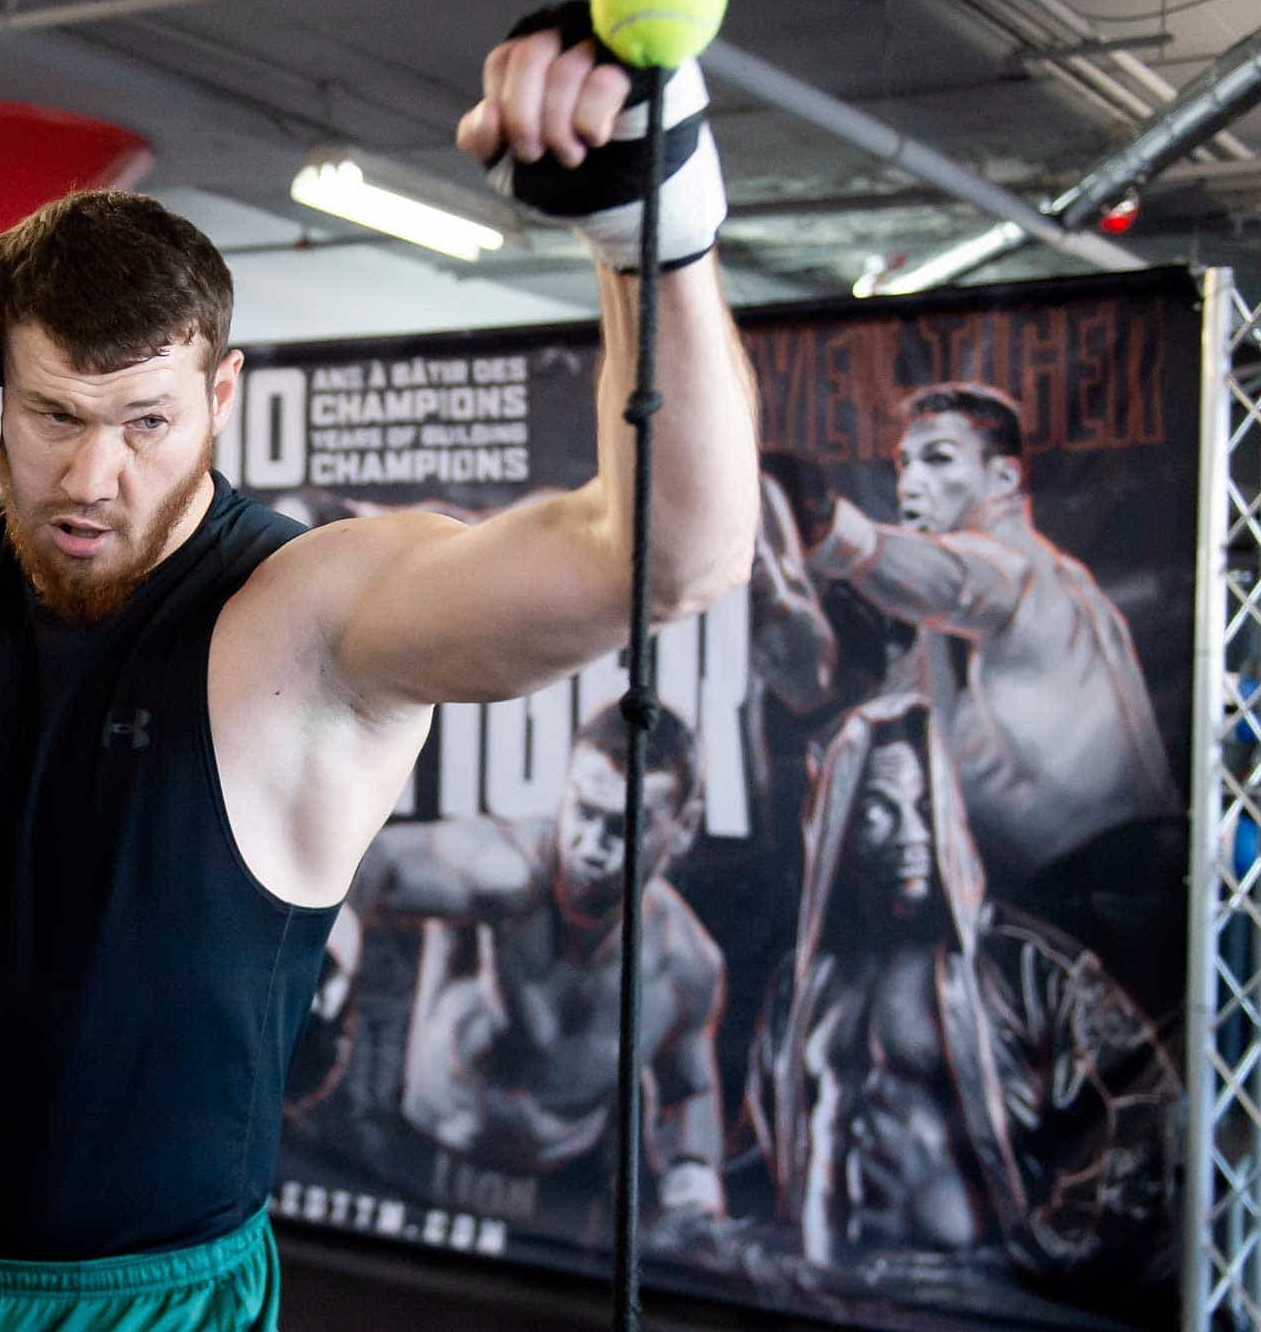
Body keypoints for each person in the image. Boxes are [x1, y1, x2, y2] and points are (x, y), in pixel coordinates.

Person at [0, 0, 757, 1329]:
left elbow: (665, 559)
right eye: (52, 414)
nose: (92, 476)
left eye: (145, 421)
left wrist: (652, 237)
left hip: (126, 1300)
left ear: (219, 398)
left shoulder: (308, 614)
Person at [746, 695, 1178, 1285]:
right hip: (822, 1298)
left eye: (925, 807)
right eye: (879, 811)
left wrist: (1037, 1257)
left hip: (959, 1301)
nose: (912, 835)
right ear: (837, 826)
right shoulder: (799, 987)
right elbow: (757, 1149)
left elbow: (1147, 1109)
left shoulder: (1022, 967)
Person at [355, 701, 727, 1244]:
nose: (590, 848)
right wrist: (329, 965)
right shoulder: (506, 873)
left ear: (684, 828)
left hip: (562, 1196)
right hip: (420, 1156)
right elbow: (373, 863)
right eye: (584, 813)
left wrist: (692, 1189)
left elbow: (687, 1091)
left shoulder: (686, 964)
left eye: (623, 827)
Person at [795, 383, 1178, 892]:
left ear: (1003, 478)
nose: (910, 484)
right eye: (904, 463)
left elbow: (957, 578)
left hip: (1096, 875)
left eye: (938, 460)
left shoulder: (1013, 569)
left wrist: (833, 530)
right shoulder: (1042, 583)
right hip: (1102, 873)